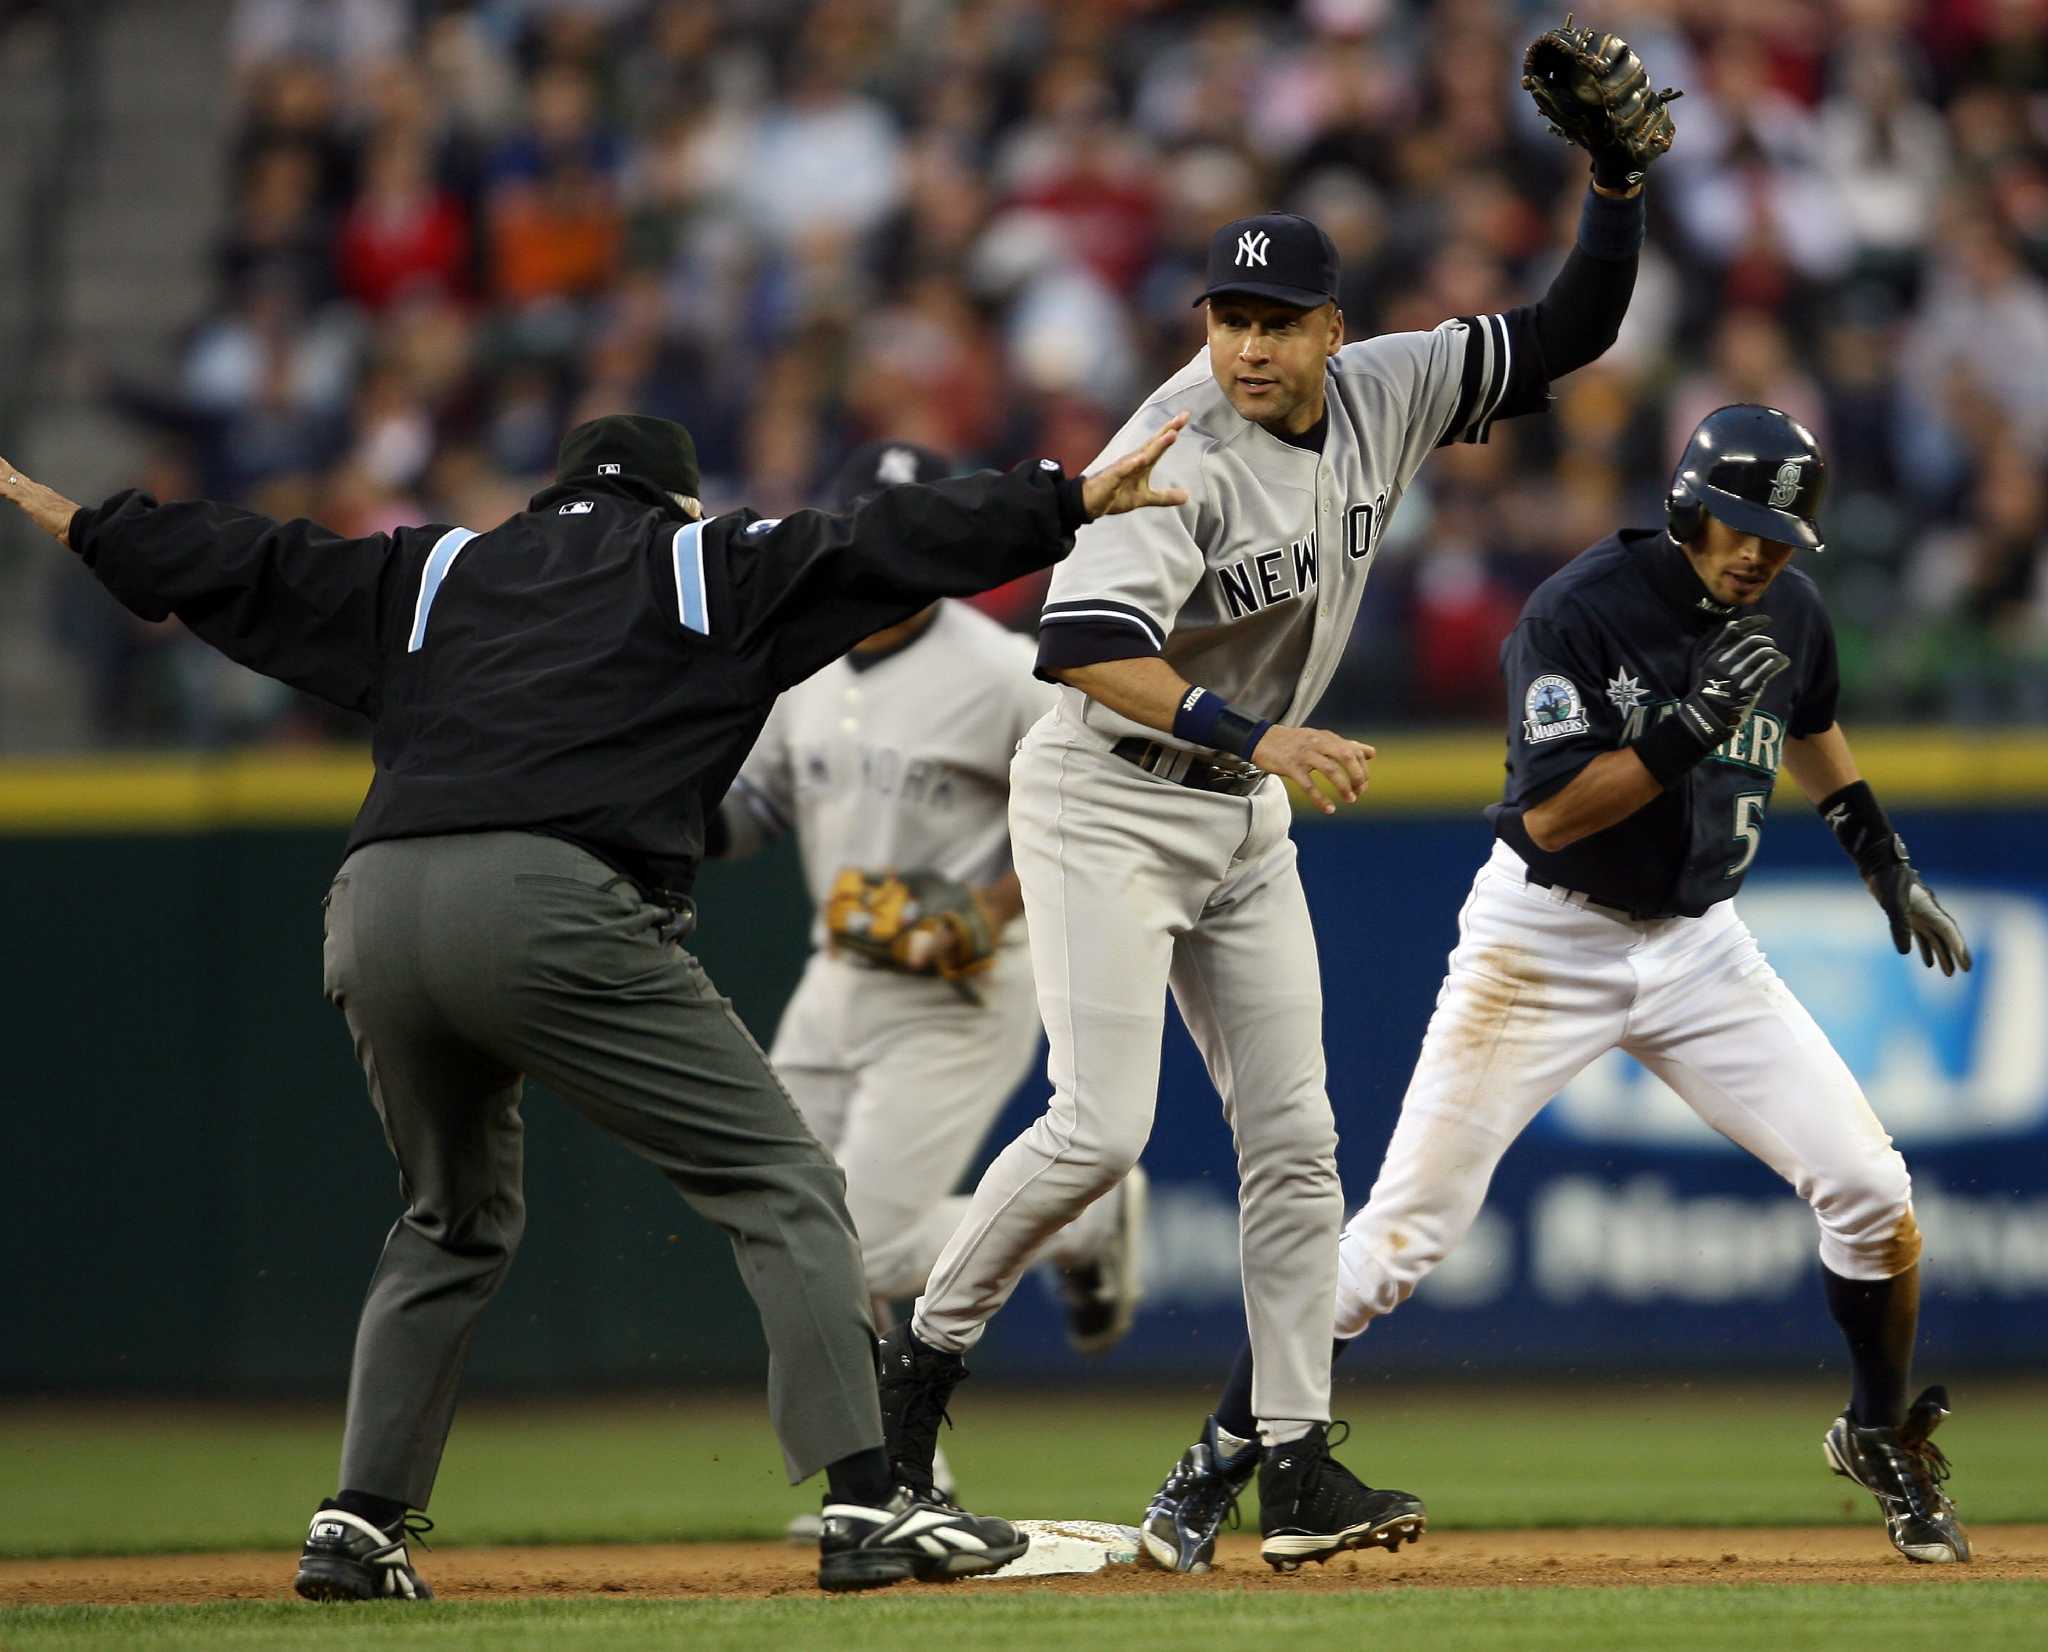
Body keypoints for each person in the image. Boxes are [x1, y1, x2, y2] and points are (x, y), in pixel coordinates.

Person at [0, 408, 1189, 1598]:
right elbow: (894, 538)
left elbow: (249, 561)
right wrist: (1068, 498)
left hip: (372, 905)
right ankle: (868, 1501)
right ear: (675, 503)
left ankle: (356, 1525)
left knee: (446, 1219)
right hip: (549, 903)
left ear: (548, 499)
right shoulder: (703, 561)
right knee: (784, 1184)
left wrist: (93, 527)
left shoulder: (435, 568)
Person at [876, 44, 1661, 1573]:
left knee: (1298, 1143)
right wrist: (1264, 737)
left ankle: (1294, 1466)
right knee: (1100, 1132)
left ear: (1329, 329)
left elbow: (1572, 330)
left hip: (1235, 815)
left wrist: (1617, 188)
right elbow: (1083, 648)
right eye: (1224, 319)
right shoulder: (1171, 446)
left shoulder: (1386, 390)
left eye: (1270, 321)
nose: (1242, 346)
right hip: (1105, 800)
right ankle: (918, 1368)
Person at [1136, 405, 1973, 1572]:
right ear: (1688, 508)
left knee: (1869, 1189)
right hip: (1544, 939)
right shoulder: (1579, 610)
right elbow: (1546, 815)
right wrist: (1687, 728)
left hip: (1697, 944)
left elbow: (1812, 723)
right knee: (1394, 1243)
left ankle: (1874, 1433)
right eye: (1737, 526)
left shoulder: (1786, 606)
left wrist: (1880, 858)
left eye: (1778, 539)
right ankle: (1215, 1457)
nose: (1756, 554)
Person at [707, 440, 1149, 1538]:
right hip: (834, 976)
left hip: (963, 985)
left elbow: (1091, 803)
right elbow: (751, 807)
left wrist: (985, 911)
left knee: (863, 1241)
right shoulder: (801, 660)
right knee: (784, 1221)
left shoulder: (1003, 668)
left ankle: (1079, 1222)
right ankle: (909, 1481)